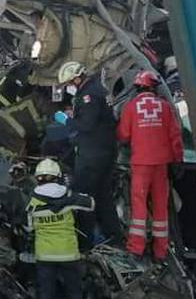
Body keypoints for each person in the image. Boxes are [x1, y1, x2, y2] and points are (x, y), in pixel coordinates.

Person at [116, 70, 183, 261]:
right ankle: (160, 251)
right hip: (161, 164)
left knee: (139, 205)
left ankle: (136, 248)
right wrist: (177, 160)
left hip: (140, 163)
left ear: (137, 88)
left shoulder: (130, 107)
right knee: (161, 206)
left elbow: (123, 135)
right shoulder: (165, 107)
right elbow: (175, 136)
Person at [56, 61, 123, 250]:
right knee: (103, 196)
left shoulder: (88, 94)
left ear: (77, 79)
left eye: (69, 83)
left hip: (92, 155)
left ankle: (84, 243)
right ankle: (114, 238)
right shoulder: (98, 89)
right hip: (106, 152)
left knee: (84, 196)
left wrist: (67, 121)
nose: (69, 87)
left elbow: (87, 125)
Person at [25, 158, 94, 299]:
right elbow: (91, 204)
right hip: (68, 254)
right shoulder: (68, 196)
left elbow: (29, 228)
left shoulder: (32, 202)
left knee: (46, 293)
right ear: (58, 177)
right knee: (74, 291)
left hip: (45, 255)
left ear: (38, 178)